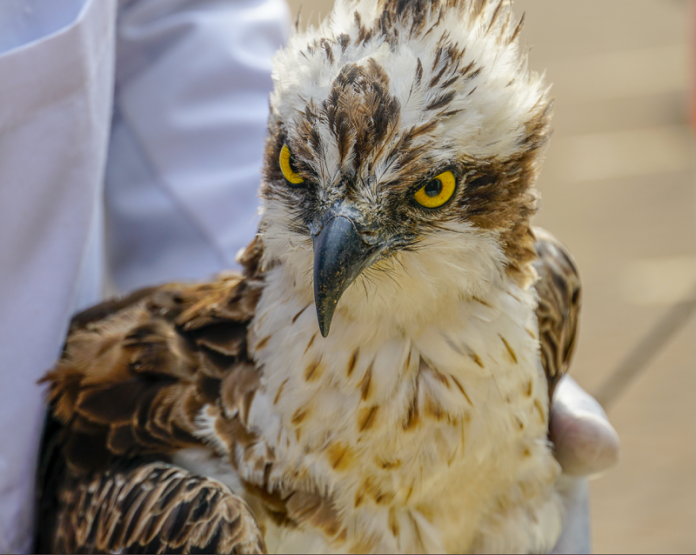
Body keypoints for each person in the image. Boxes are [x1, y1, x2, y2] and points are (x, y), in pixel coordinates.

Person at [0, 1, 618, 552]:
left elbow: (187, 31)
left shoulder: (546, 299)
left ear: (507, 190)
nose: (337, 241)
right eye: (297, 170)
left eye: (432, 190)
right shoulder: (189, 508)